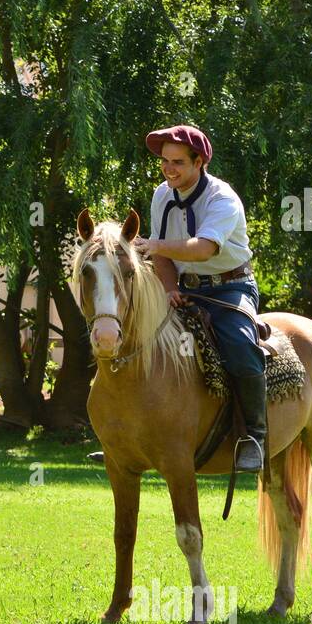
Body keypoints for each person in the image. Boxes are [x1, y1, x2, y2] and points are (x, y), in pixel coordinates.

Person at [88, 124, 266, 472]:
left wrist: (153, 245)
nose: (169, 169)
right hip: (183, 287)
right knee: (135, 339)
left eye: (178, 162)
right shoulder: (162, 195)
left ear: (199, 162)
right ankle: (124, 439)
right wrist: (169, 290)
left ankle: (255, 437)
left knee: (241, 347)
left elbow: (203, 248)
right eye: (165, 161)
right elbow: (165, 258)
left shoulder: (222, 199)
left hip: (230, 287)